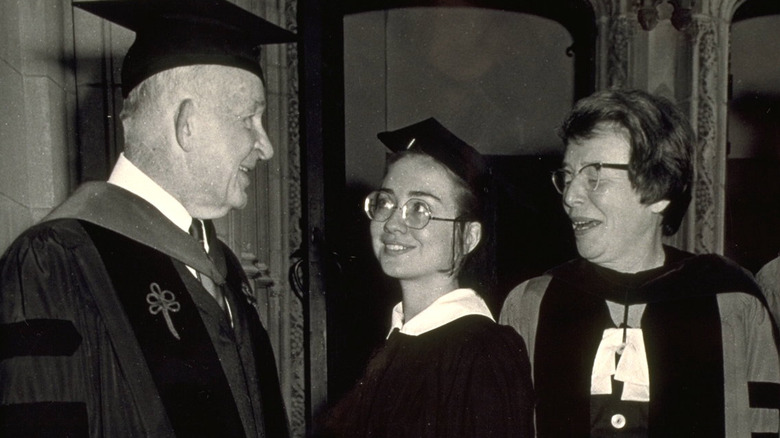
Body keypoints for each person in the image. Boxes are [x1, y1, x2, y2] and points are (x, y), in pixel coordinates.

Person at [0, 1, 294, 436]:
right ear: (187, 124)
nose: (265, 146)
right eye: (249, 118)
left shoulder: (223, 268)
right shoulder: (54, 264)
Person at [500, 89, 780, 437]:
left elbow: (765, 426)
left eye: (594, 176)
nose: (571, 197)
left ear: (659, 191)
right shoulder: (531, 304)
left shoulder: (733, 305)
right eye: (568, 176)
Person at [321, 118, 534, 437]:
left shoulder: (483, 353)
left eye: (419, 209)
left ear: (467, 237)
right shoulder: (392, 346)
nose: (392, 222)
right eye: (385, 202)